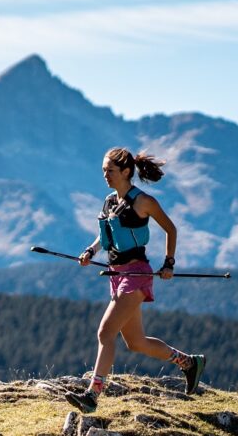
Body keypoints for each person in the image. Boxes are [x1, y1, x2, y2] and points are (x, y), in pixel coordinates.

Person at [64, 147, 206, 413]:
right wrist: (90, 251)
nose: (105, 175)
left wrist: (169, 263)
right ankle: (189, 363)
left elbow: (171, 229)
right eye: (104, 170)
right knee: (136, 342)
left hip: (137, 275)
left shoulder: (144, 202)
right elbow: (104, 234)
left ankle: (92, 395)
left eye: (110, 170)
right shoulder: (108, 201)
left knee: (105, 332)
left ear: (126, 171)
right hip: (117, 276)